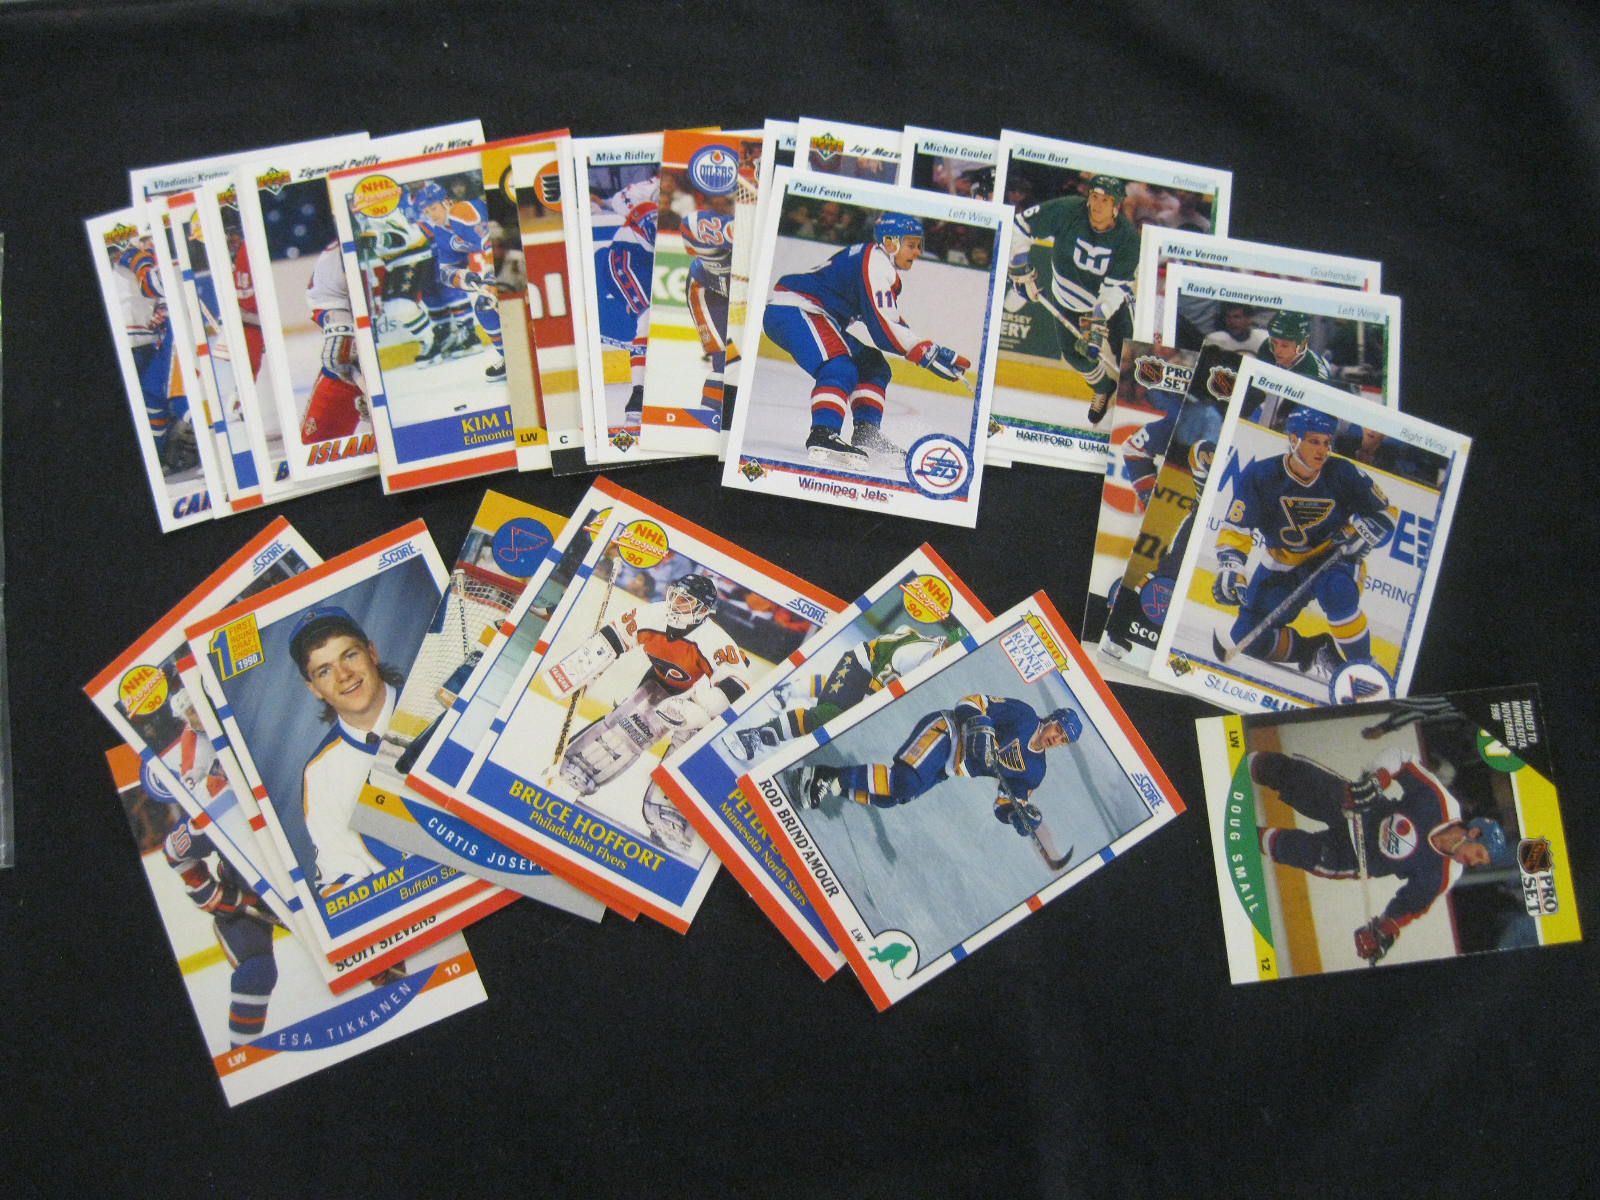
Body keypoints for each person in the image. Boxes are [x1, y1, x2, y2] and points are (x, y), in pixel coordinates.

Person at [541, 573, 748, 854]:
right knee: (630, 728)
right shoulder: (653, 614)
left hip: (700, 694)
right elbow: (614, 636)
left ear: (702, 611)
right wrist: (586, 666)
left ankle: (670, 816)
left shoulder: (715, 640)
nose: (675, 604)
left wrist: (701, 710)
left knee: (689, 749)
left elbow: (738, 685)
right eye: (674, 596)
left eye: (685, 601)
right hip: (660, 684)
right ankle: (578, 770)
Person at [1248, 748, 1512, 963]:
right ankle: (1239, 763)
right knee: (1291, 775)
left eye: (1480, 863)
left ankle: (1243, 838)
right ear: (1474, 832)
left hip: (1354, 858)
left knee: (1294, 849)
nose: (1474, 862)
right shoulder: (1442, 804)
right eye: (1479, 854)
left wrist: (1385, 931)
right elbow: (1403, 759)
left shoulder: (1445, 875)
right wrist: (1377, 781)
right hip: (1357, 808)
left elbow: (1410, 907)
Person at [764, 212, 971, 468]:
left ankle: (866, 435)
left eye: (919, 245)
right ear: (891, 242)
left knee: (872, 365)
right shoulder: (877, 265)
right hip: (795, 310)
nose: (918, 252)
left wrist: (925, 349)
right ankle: (823, 434)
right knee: (839, 366)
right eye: (912, 245)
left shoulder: (874, 259)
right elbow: (884, 329)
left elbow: (887, 321)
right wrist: (927, 353)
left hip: (807, 312)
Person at [1210, 408, 1396, 678]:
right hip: (1282, 563)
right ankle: (1314, 649)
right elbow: (1237, 528)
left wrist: (1369, 532)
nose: (1323, 450)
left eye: (1327, 442)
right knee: (1247, 636)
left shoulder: (1342, 472)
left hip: (1334, 557)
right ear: (1293, 439)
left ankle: (1365, 670)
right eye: (1314, 441)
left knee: (1337, 591)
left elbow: (1386, 513)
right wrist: (1230, 565)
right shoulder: (1262, 475)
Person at [797, 695, 1081, 839]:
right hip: (947, 731)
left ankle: (833, 785)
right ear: (1052, 719)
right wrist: (978, 725)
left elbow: (1005, 804)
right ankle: (823, 775)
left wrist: (1016, 816)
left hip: (951, 766)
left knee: (894, 798)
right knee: (905, 781)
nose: (1056, 738)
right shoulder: (1024, 716)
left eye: (1063, 740)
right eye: (1058, 729)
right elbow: (971, 702)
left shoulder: (1035, 771)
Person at [721, 623, 959, 762]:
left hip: (868, 669)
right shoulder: (914, 654)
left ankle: (792, 689)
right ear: (945, 644)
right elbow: (873, 693)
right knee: (830, 714)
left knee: (839, 697)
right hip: (861, 664)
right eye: (950, 650)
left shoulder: (935, 653)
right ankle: (752, 736)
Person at [1007, 174, 1139, 424]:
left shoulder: (1128, 239)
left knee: (1129, 353)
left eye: (1105, 200)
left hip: (1113, 305)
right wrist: (1019, 266)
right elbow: (1020, 226)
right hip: (1066, 298)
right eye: (1094, 197)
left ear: (1117, 205)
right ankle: (1103, 388)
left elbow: (1114, 290)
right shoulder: (1067, 210)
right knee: (1076, 356)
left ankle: (1135, 411)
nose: (1097, 205)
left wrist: (1096, 323)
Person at [292, 606, 404, 891]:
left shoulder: (435, 697)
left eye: (350, 655)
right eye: (324, 671)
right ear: (314, 688)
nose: (343, 675)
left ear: (372, 653)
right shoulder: (319, 773)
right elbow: (339, 881)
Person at [409, 180, 504, 383]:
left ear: (446, 202)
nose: (431, 215)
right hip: (497, 264)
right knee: (484, 307)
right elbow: (446, 272)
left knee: (497, 300)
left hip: (513, 249)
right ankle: (510, 357)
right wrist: (464, 278)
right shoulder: (441, 232)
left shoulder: (462, 211)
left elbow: (492, 240)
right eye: (426, 212)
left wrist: (490, 278)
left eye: (433, 208)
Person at [590, 172, 660, 432]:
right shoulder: (652, 205)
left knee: (655, 322)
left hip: (643, 265)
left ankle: (647, 393)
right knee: (648, 317)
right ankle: (638, 395)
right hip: (625, 262)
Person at [300, 241, 368, 443]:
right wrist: (337, 321)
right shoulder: (337, 255)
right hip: (351, 370)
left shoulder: (415, 231)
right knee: (318, 450)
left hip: (408, 365)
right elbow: (323, 297)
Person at [679, 198, 734, 426]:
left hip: (735, 295)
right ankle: (706, 420)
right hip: (705, 290)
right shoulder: (703, 223)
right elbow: (691, 226)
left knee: (736, 361)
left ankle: (722, 418)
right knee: (724, 360)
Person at [1254, 310, 1333, 381]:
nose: (1277, 350)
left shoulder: (1315, 372)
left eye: (1285, 346)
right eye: (1274, 342)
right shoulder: (1267, 345)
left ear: (1301, 345)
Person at [1201, 303, 1267, 356]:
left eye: (1237, 317)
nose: (1231, 322)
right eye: (1228, 317)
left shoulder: (1263, 338)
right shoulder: (1215, 339)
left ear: (1248, 319)